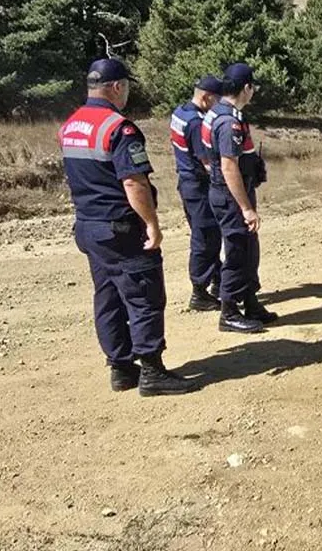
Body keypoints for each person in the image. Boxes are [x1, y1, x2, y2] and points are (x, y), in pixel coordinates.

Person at [58, 58, 196, 396]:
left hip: (89, 225)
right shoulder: (119, 128)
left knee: (108, 296)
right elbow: (133, 183)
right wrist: (151, 223)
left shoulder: (71, 125)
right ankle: (151, 371)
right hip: (120, 226)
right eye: (128, 86)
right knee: (143, 294)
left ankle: (120, 368)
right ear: (116, 87)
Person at [203, 62, 276, 333]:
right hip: (231, 196)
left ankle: (250, 301)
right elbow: (228, 165)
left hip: (231, 192)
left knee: (248, 249)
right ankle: (229, 312)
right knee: (237, 252)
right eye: (253, 86)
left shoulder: (220, 113)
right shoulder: (227, 121)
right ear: (247, 88)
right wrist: (245, 207)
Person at [170, 76, 225, 310]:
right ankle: (199, 292)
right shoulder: (195, 122)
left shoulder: (180, 112)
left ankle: (217, 280)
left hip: (187, 183)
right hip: (198, 185)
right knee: (205, 238)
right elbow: (206, 162)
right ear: (206, 97)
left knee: (207, 235)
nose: (219, 104)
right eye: (217, 99)